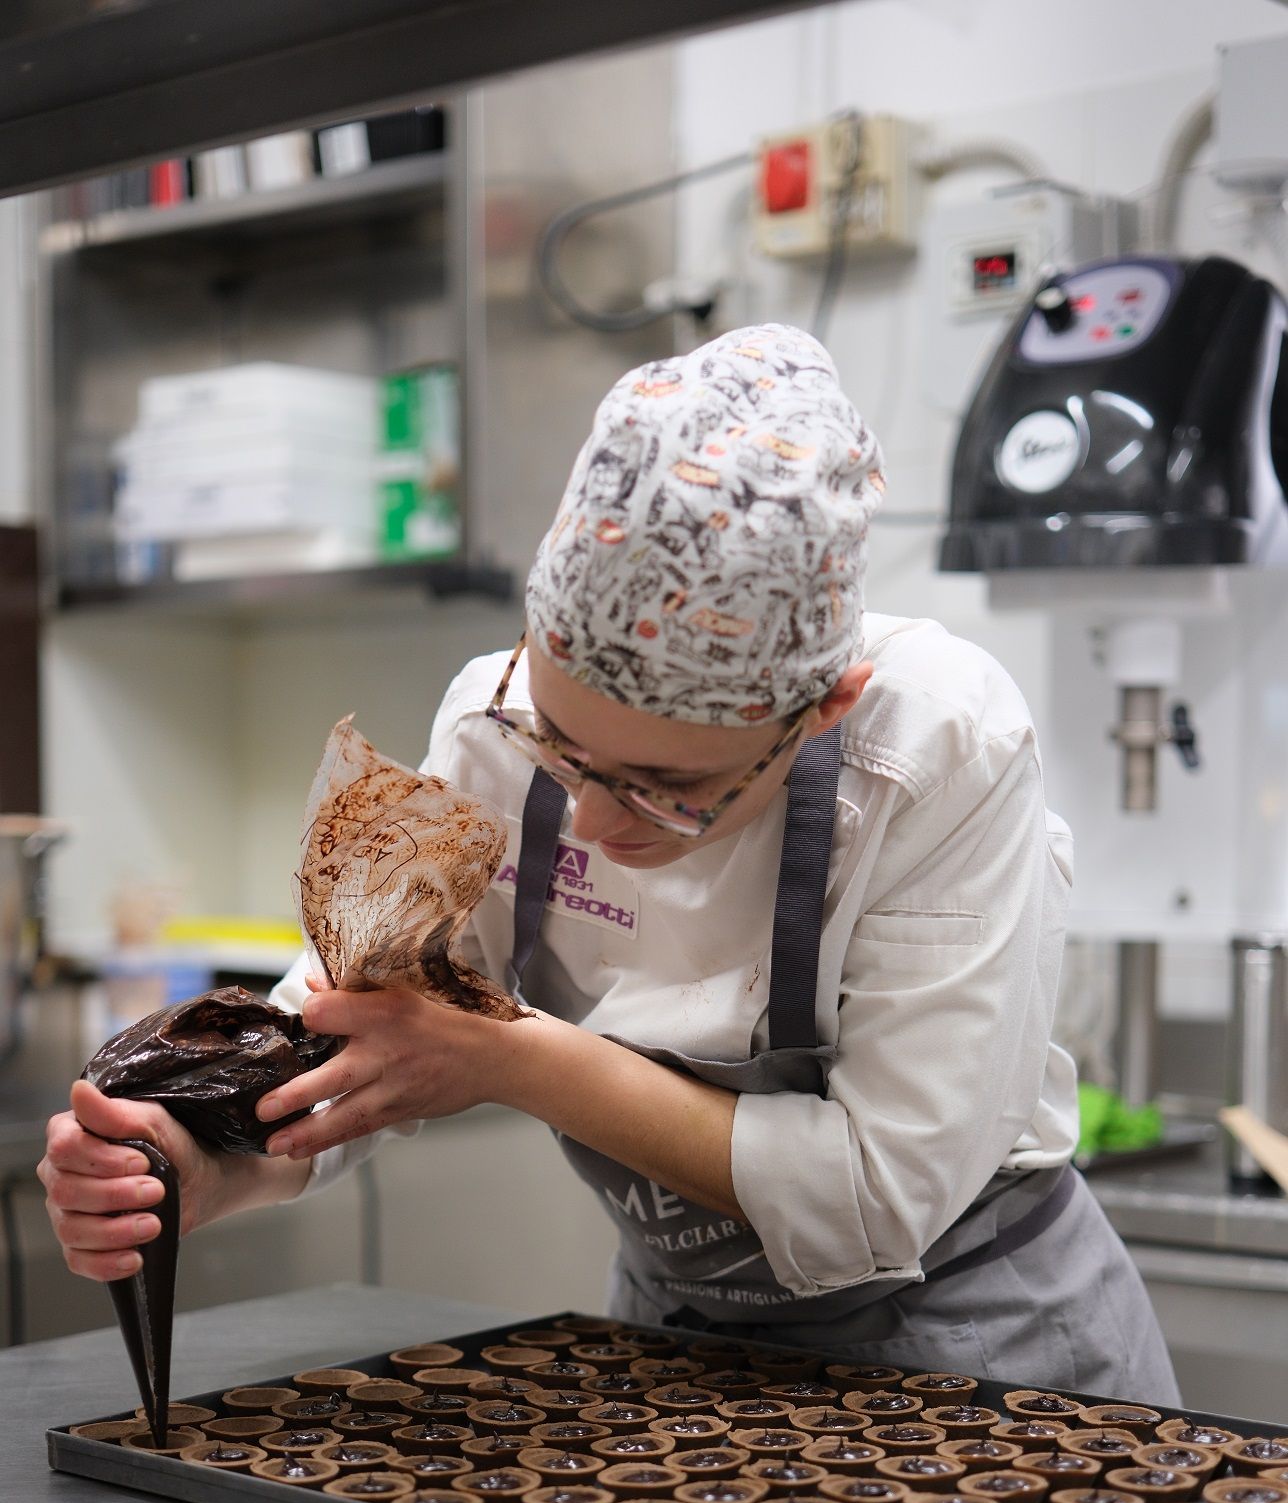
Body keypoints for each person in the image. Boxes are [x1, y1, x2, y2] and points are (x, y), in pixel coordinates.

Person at [39, 324, 1180, 1401]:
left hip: (971, 1339)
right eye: (561, 751)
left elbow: (874, 1202)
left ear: (822, 709)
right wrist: (204, 1166)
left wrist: (511, 1058)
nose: (588, 823)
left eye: (670, 791)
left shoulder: (937, 752)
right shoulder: (492, 720)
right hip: (671, 1335)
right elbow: (365, 1032)